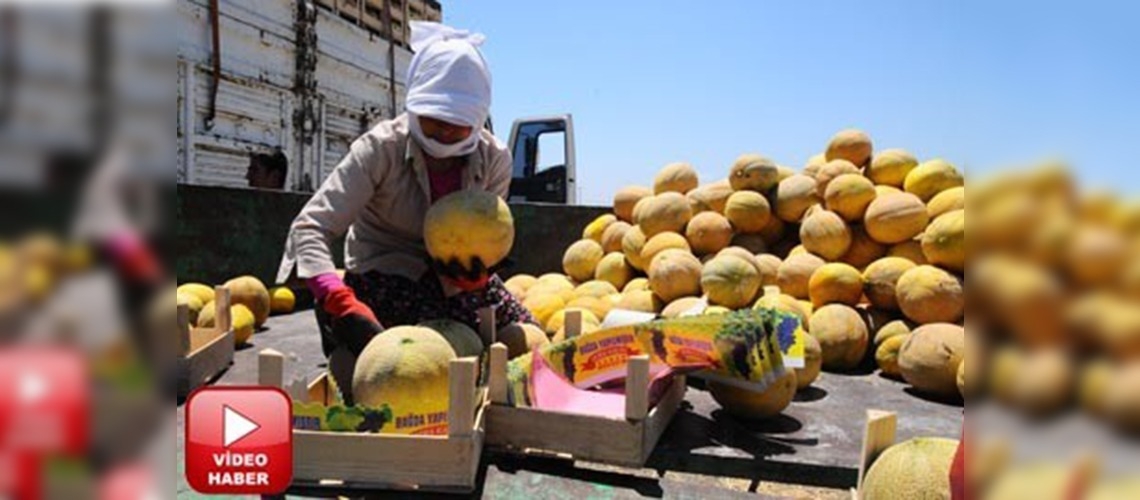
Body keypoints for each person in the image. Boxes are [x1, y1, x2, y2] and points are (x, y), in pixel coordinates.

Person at [277, 21, 535, 358]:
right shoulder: (379, 148)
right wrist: (336, 297)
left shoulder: (495, 158)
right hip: (386, 275)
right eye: (433, 117)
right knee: (405, 354)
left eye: (458, 123)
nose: (444, 131)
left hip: (453, 281)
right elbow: (310, 229)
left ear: (477, 119)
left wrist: (483, 270)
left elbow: (490, 234)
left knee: (526, 340)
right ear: (413, 104)